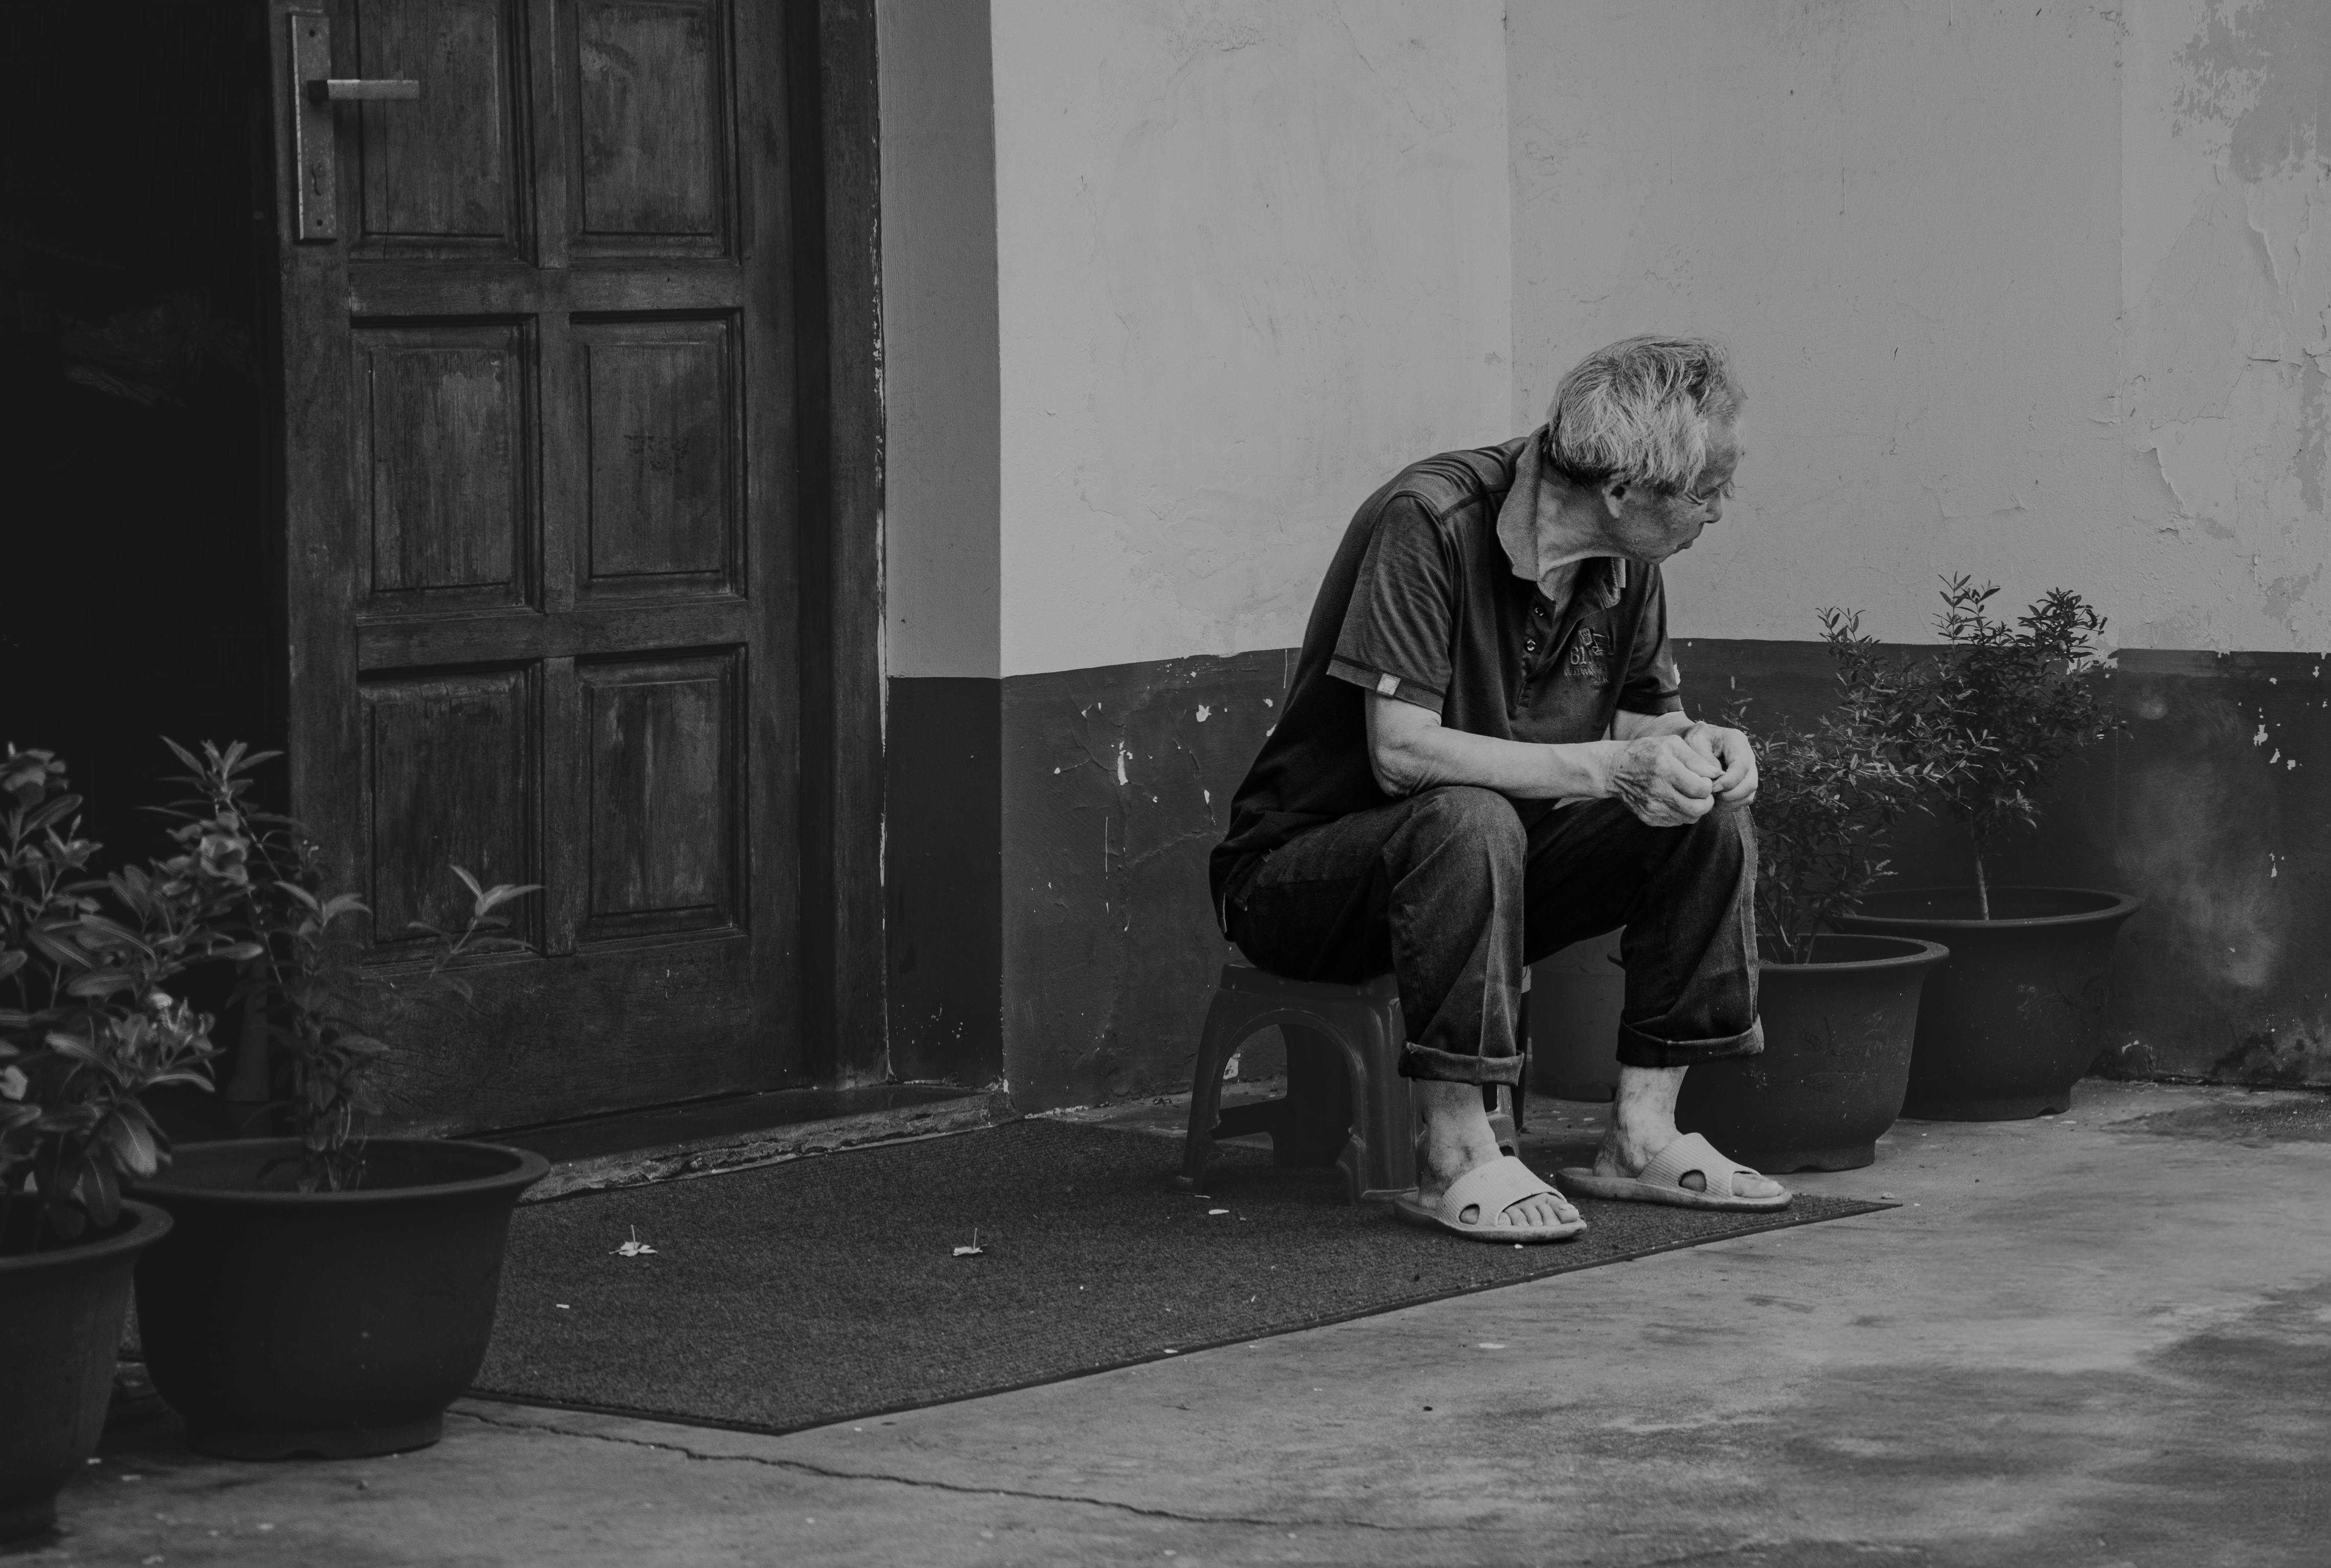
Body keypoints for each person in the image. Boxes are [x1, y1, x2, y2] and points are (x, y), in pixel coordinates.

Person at [1209, 335, 1787, 1242]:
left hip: (1498, 865)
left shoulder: (1628, 564)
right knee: (1465, 818)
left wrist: (1699, 744)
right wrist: (1606, 768)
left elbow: (1640, 721)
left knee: (1703, 817)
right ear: (1624, 490)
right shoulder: (1429, 520)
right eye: (1707, 491)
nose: (1720, 510)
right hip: (1309, 874)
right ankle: (1456, 1150)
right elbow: (1402, 754)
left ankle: (1642, 1134)